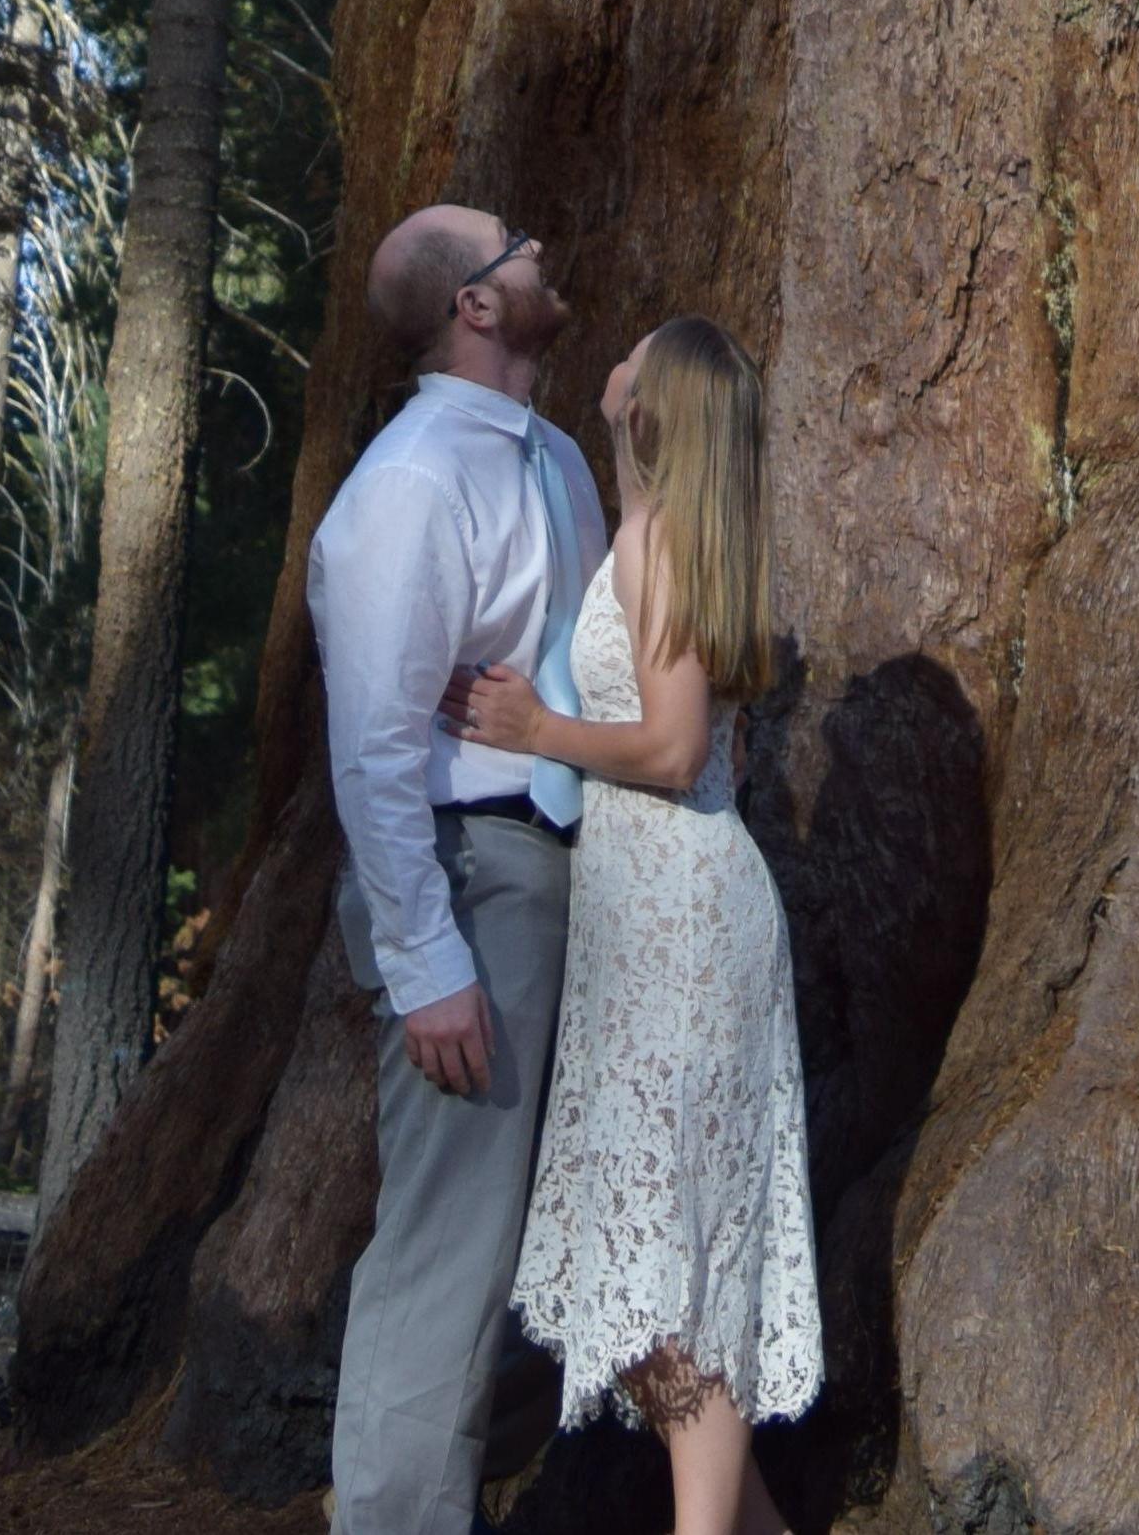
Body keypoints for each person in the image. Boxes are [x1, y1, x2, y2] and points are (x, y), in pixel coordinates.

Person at [446, 314, 821, 1535]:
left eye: (637, 361)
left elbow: (673, 745)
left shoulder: (661, 546)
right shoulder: (653, 530)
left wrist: (537, 734)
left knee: (672, 1275)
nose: (615, 363)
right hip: (644, 921)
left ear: (655, 404)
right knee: (635, 1279)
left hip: (682, 924)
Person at [304, 199, 606, 1535]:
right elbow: (373, 740)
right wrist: (425, 958)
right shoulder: (412, 480)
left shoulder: (555, 460)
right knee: (448, 1245)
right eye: (512, 242)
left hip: (563, 870)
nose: (538, 250)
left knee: (504, 1246)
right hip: (465, 878)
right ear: (475, 303)